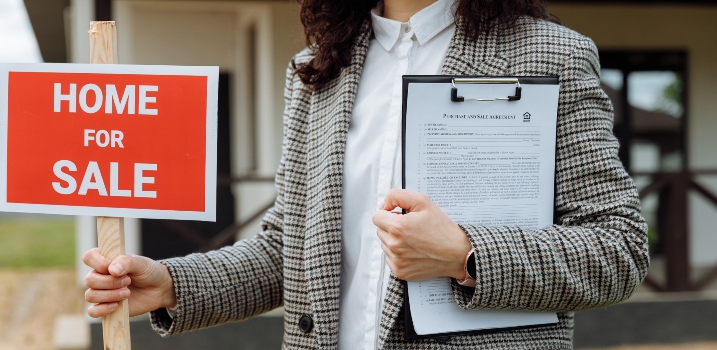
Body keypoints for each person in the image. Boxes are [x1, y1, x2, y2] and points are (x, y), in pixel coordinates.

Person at [82, 0, 650, 348]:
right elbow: (292, 248)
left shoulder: (551, 55)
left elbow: (618, 248)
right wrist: (173, 284)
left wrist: (466, 255)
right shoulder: (315, 70)